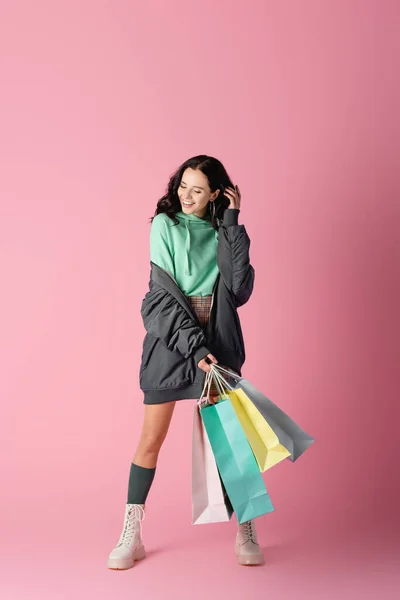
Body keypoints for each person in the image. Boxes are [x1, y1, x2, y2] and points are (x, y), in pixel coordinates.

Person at [107, 155, 264, 569]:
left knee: (232, 441)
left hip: (219, 337)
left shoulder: (221, 229)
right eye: (182, 186)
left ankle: (245, 528)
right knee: (150, 441)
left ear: (216, 192)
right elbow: (158, 297)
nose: (187, 196)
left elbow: (238, 288)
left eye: (198, 189)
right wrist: (194, 349)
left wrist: (231, 222)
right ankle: (131, 533)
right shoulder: (165, 226)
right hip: (172, 338)